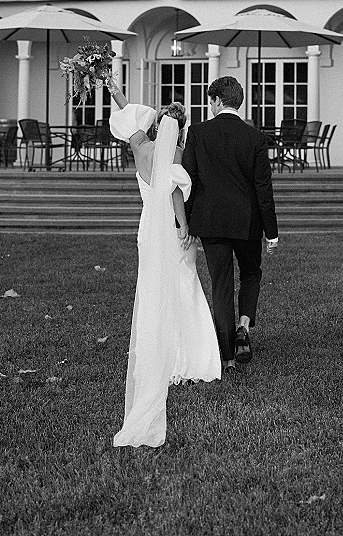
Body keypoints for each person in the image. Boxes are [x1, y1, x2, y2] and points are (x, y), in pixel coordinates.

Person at [107, 77, 221, 448]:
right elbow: (174, 191)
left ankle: (160, 350)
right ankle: (192, 359)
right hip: (171, 229)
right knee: (184, 285)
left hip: (146, 228)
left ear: (155, 125)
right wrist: (186, 226)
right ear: (183, 128)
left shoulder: (140, 146)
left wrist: (114, 90)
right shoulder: (177, 154)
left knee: (155, 287)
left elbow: (127, 117)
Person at [182, 76, 278, 373]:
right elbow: (263, 188)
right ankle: (245, 327)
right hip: (247, 222)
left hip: (210, 222)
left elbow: (189, 181)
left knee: (221, 285)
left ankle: (226, 356)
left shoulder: (197, 133)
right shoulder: (256, 138)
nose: (209, 105)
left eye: (210, 100)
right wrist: (271, 233)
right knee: (251, 274)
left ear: (217, 100)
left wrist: (185, 223)